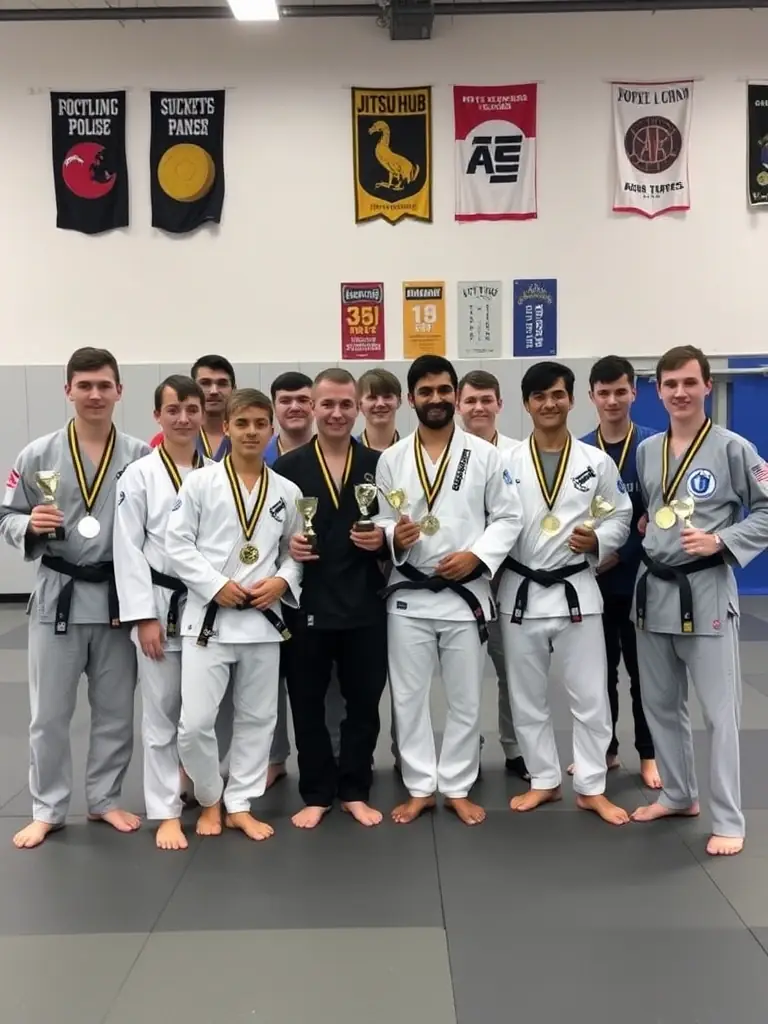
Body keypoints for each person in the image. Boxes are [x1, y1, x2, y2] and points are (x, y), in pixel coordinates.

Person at [0, 347, 150, 849]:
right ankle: (48, 808)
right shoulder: (37, 454)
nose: (94, 394)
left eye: (104, 385)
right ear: (67, 390)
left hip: (115, 600)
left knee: (115, 711)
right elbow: (6, 516)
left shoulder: (140, 456)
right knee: (48, 714)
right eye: (84, 385)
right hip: (57, 598)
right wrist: (28, 524)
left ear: (119, 391)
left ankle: (105, 799)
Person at [629, 345, 768, 857]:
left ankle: (729, 819)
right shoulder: (647, 450)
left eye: (690, 383)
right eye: (670, 384)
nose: (680, 393)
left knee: (719, 711)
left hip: (706, 591)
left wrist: (723, 542)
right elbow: (656, 508)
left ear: (708, 386)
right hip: (654, 592)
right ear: (659, 390)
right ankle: (678, 792)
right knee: (660, 705)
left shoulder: (735, 448)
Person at [375, 355, 524, 826]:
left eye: (444, 390)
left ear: (456, 396)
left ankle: (457, 784)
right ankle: (420, 785)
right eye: (426, 391)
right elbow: (380, 517)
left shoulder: (486, 456)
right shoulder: (391, 459)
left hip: (465, 594)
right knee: (409, 696)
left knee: (465, 697)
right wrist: (391, 538)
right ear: (411, 398)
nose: (436, 399)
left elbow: (508, 517)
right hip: (408, 594)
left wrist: (477, 556)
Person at [497, 361, 633, 826]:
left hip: (578, 589)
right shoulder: (506, 463)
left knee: (591, 694)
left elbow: (620, 514)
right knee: (526, 696)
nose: (549, 403)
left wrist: (598, 540)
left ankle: (592, 785)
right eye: (539, 396)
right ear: (526, 404)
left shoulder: (596, 461)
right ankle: (543, 780)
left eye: (557, 394)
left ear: (572, 399)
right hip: (521, 591)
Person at [165, 388, 303, 841]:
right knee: (195, 724)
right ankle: (209, 798)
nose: (250, 432)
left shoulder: (287, 490)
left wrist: (283, 581)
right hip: (209, 622)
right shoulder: (200, 483)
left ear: (271, 429)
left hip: (264, 622)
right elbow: (177, 545)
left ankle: (240, 803)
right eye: (241, 424)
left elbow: (296, 552)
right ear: (225, 428)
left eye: (259, 424)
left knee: (258, 719)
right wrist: (215, 585)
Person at [277, 368, 388, 829]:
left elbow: (401, 519)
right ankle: (317, 791)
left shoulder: (382, 463)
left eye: (346, 404)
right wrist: (290, 547)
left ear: (359, 405)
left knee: (364, 702)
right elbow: (269, 532)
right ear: (313, 407)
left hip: (365, 600)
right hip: (309, 601)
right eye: (328, 404)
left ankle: (355, 789)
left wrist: (383, 539)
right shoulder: (287, 468)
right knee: (307, 702)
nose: (337, 413)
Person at [113, 375, 207, 851]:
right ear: (158, 416)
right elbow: (127, 549)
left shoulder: (218, 472)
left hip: (211, 609)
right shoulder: (138, 474)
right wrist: (142, 616)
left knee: (207, 713)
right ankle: (166, 809)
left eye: (192, 409)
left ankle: (210, 794)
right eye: (174, 410)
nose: (184, 418)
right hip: (161, 609)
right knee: (162, 714)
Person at [573, 356, 661, 789]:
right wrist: (596, 555)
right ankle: (605, 750)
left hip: (640, 580)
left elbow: (657, 518)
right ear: (591, 397)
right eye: (603, 393)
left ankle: (648, 753)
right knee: (599, 674)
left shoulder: (652, 447)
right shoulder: (580, 451)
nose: (611, 400)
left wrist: (619, 553)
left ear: (633, 393)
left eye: (619, 391)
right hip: (593, 583)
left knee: (643, 675)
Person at [457, 369, 528, 781]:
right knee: (460, 676)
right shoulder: (447, 455)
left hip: (509, 581)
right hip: (459, 584)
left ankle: (516, 747)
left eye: (487, 400)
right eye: (471, 401)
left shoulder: (520, 455)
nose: (479, 407)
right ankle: (466, 748)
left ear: (500, 404)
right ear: (459, 406)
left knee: (512, 670)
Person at [151, 354, 235, 461]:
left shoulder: (247, 438)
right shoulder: (163, 440)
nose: (214, 391)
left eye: (222, 384)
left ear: (234, 389)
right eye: (205, 383)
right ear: (192, 387)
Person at [264, 371, 314, 466]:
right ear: (273, 407)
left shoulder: (334, 455)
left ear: (314, 405)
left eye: (303, 400)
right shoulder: (257, 458)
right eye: (285, 401)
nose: (294, 407)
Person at [357, 368, 402, 450]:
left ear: (399, 402)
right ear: (359, 405)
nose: (380, 404)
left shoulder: (410, 452)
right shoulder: (347, 453)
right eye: (372, 397)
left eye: (387, 397)